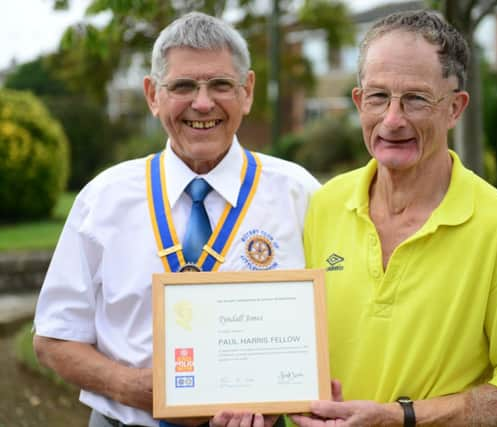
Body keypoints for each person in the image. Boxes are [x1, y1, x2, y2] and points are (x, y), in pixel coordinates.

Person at [33, 11, 320, 427]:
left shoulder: (299, 194)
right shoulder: (103, 199)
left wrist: (276, 397)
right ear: (152, 95)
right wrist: (132, 387)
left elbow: (334, 324)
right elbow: (55, 338)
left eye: (221, 84)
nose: (202, 103)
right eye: (183, 86)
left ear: (248, 91)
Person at [293, 9, 497, 427]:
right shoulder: (323, 206)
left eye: (416, 99)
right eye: (378, 96)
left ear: (455, 108)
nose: (393, 120)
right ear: (359, 102)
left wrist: (398, 418)